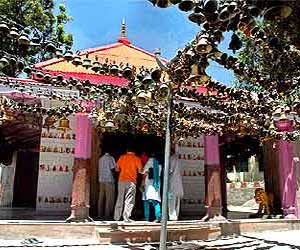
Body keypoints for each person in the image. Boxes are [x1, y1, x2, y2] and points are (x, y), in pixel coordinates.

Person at [114, 146, 143, 222]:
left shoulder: (121, 157)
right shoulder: (137, 159)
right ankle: (126, 217)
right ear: (135, 151)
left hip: (121, 180)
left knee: (119, 198)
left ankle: (116, 217)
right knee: (129, 200)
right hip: (131, 181)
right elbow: (140, 171)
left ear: (127, 150)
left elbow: (116, 169)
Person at [141, 154, 161, 222]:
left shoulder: (148, 163)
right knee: (156, 201)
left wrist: (142, 183)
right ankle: (158, 217)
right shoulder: (159, 165)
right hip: (156, 185)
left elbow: (144, 174)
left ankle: (146, 218)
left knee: (146, 202)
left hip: (148, 185)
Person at [98, 149, 116, 220]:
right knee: (109, 198)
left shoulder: (100, 159)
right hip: (109, 180)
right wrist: (115, 177)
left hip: (101, 180)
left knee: (101, 197)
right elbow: (113, 169)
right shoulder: (111, 158)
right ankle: (107, 215)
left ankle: (99, 214)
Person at [168, 146, 184, 221]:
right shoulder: (178, 159)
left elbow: (170, 170)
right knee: (177, 201)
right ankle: (176, 215)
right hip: (178, 182)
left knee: (172, 200)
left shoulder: (171, 159)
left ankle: (172, 216)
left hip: (172, 182)